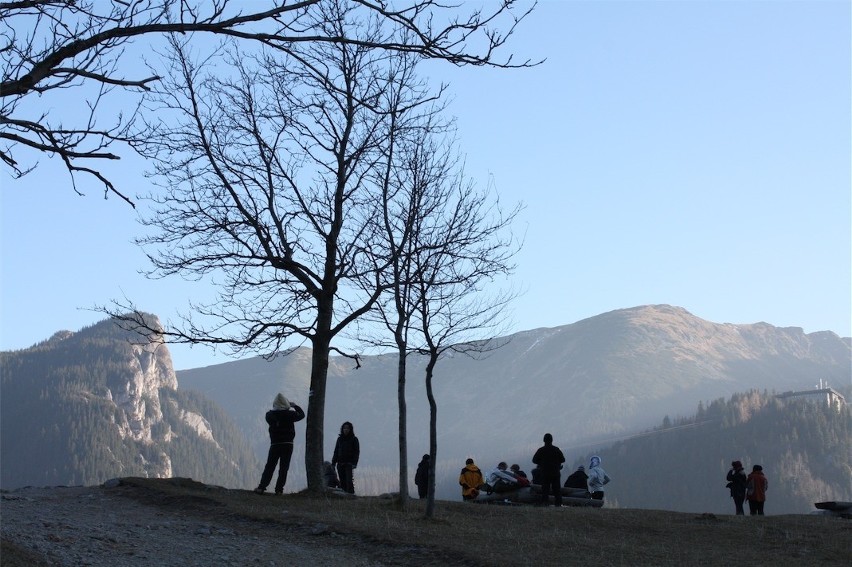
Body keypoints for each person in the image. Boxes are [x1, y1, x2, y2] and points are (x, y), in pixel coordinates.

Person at [254, 393, 305, 495]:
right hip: (288, 444)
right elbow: (302, 415)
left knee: (270, 466)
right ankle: (279, 490)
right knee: (284, 467)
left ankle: (262, 487)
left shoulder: (269, 415)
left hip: (275, 444)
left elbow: (270, 415)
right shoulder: (291, 414)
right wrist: (294, 406)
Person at [532, 433, 566, 506]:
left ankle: (545, 503)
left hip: (545, 473)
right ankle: (558, 504)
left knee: (545, 489)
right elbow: (563, 460)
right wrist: (556, 463)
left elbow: (534, 460)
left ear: (544, 440)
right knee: (557, 489)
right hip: (555, 473)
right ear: (552, 440)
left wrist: (542, 463)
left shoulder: (541, 450)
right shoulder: (556, 449)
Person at [332, 421, 360, 494]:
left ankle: (351, 495)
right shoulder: (339, 439)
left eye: (347, 428)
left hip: (349, 463)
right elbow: (336, 451)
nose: (346, 430)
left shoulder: (354, 439)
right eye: (344, 428)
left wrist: (354, 463)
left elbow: (356, 452)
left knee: (349, 481)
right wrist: (333, 463)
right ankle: (344, 496)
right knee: (342, 481)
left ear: (350, 429)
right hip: (340, 463)